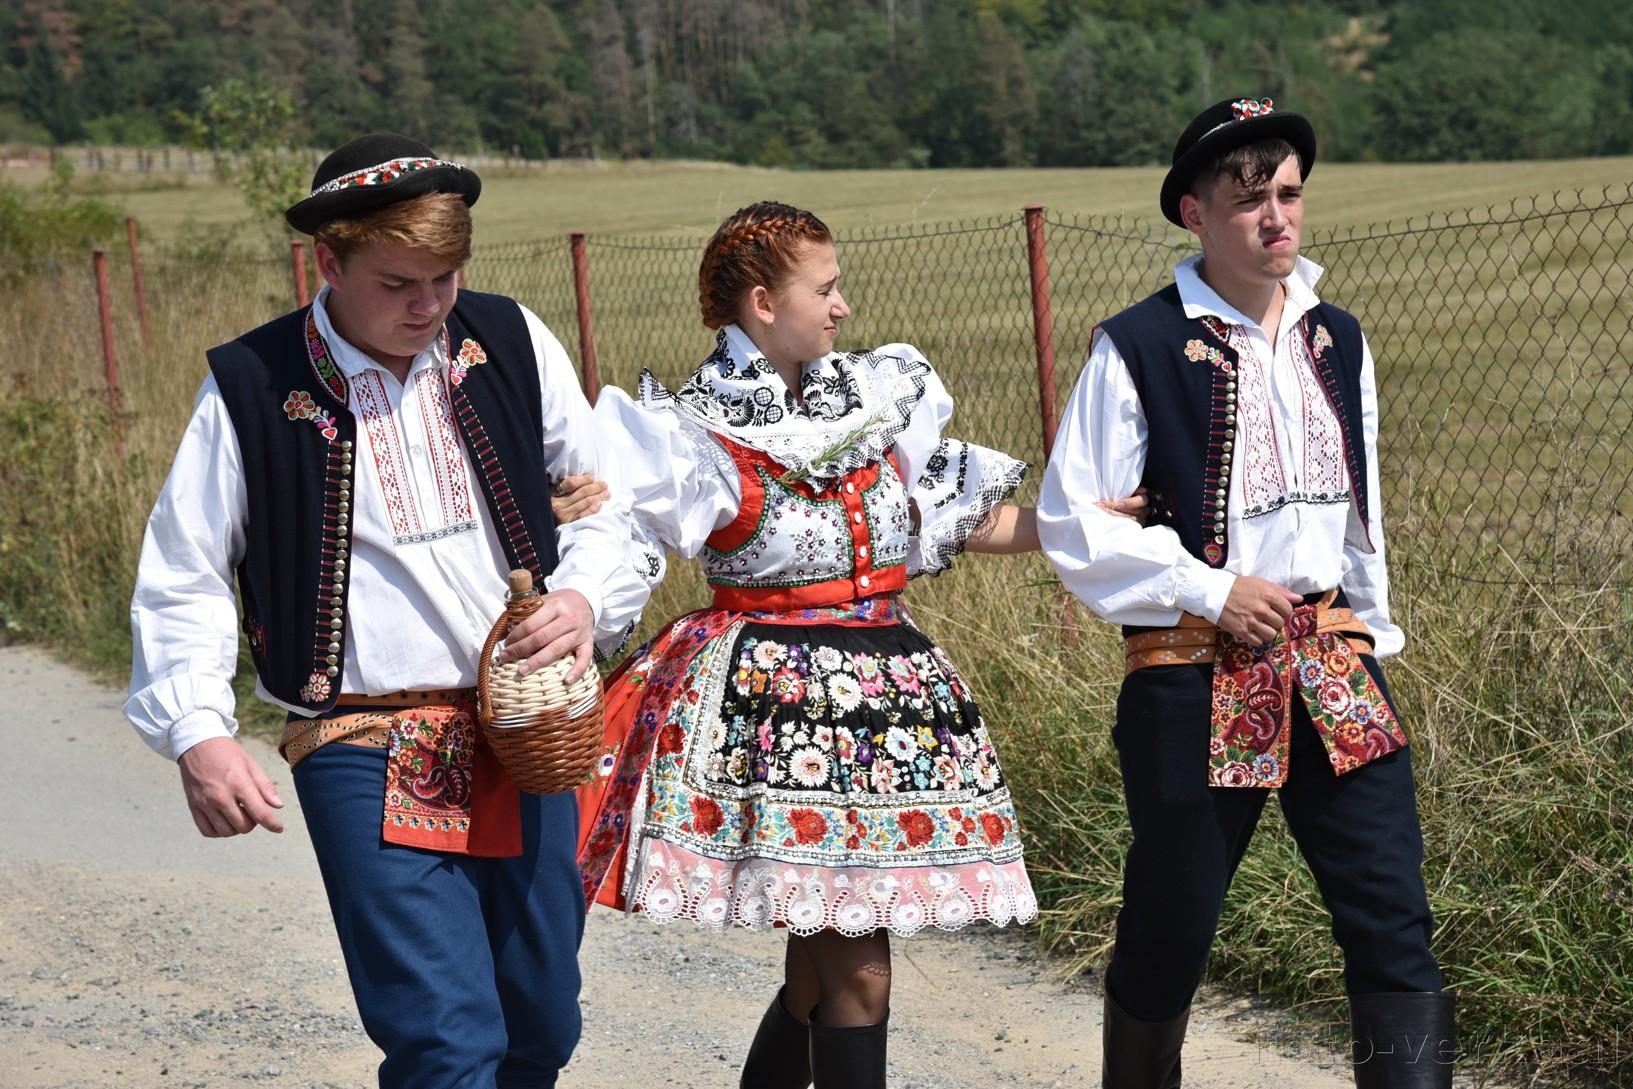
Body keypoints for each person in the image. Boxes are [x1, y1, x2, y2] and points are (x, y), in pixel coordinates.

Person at [549, 201, 1136, 1089]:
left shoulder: (872, 401)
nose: (842, 306)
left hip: (888, 712)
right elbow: (623, 539)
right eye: (823, 289)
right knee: (858, 972)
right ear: (762, 303)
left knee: (815, 972)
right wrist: (574, 599)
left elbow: (958, 518)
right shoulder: (693, 432)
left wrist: (1082, 524)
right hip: (778, 720)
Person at [124, 133, 648, 1089]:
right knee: (445, 1041)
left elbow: (609, 501)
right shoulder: (253, 383)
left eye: (445, 279)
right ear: (328, 263)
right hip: (359, 741)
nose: (427, 305)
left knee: (539, 1023)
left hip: (529, 730)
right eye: (398, 282)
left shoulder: (509, 341)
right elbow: (184, 569)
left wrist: (582, 596)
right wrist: (197, 730)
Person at [1036, 98, 1455, 1089]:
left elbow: (1359, 509)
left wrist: (1369, 634)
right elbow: (1073, 520)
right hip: (1191, 666)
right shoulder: (1139, 345)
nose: (1276, 217)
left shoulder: (1336, 338)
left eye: (1289, 194)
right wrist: (1210, 587)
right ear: (1194, 213)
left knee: (1390, 916)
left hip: (1331, 658)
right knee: (1174, 920)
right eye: (1248, 199)